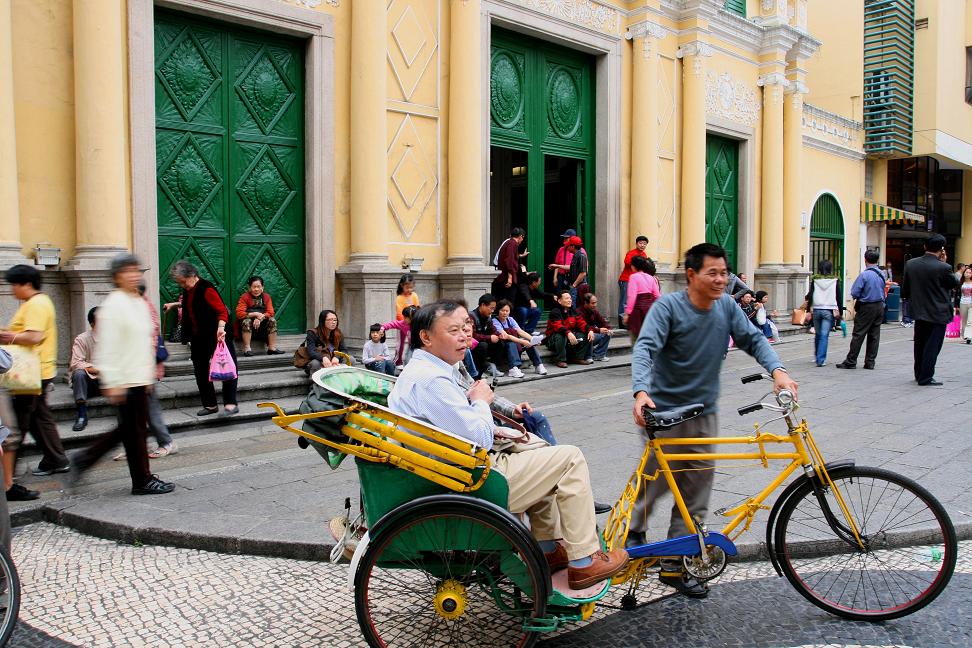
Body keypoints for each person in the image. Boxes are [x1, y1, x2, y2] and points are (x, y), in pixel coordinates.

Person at [388, 301, 628, 589]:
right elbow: (478, 435)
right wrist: (480, 401)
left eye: (466, 327)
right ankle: (583, 564)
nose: (465, 335)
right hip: (473, 479)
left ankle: (548, 550)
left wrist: (490, 405)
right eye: (454, 330)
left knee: (543, 452)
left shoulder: (430, 369)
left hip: (458, 468)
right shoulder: (431, 381)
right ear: (426, 337)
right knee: (570, 458)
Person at [631, 242, 797, 598]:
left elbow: (754, 339)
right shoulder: (669, 308)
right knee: (656, 482)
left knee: (696, 492)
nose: (722, 280)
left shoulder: (727, 308)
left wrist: (778, 370)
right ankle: (635, 530)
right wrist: (641, 391)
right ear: (692, 275)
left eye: (725, 273)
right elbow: (645, 348)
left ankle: (677, 564)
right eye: (713, 273)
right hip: (665, 414)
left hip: (704, 413)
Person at [71, 254, 174, 495]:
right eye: (129, 270)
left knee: (131, 429)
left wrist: (148, 374)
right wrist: (113, 381)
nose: (135, 274)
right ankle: (140, 479)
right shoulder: (114, 304)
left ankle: (91, 461)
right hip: (125, 378)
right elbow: (108, 346)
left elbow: (143, 341)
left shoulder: (136, 300)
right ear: (117, 275)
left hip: (138, 377)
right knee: (133, 430)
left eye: (136, 270)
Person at [0, 264, 68, 500]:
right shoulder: (37, 303)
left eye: (14, 285)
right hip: (36, 371)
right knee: (39, 417)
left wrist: (7, 336)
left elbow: (34, 336)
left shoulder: (37, 304)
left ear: (26, 284)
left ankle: (8, 480)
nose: (12, 290)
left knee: (16, 425)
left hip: (30, 373)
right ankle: (57, 458)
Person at [167, 260, 239, 417]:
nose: (182, 285)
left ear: (192, 275)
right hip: (199, 337)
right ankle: (210, 405)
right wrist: (174, 305)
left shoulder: (207, 289)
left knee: (226, 365)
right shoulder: (189, 289)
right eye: (179, 283)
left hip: (218, 334)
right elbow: (191, 304)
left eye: (183, 281)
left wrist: (220, 329)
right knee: (200, 370)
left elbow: (222, 311)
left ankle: (231, 404)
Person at [901, 234, 959, 386]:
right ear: (941, 250)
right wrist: (945, 263)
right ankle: (926, 377)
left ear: (925, 247)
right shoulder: (944, 267)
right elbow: (954, 283)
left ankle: (919, 373)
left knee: (919, 344)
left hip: (919, 311)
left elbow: (905, 290)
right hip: (938, 312)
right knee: (932, 346)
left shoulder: (911, 264)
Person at [836, 250, 887, 370]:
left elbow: (855, 292)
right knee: (874, 335)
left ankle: (851, 361)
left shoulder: (864, 275)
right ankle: (870, 362)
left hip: (867, 306)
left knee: (859, 333)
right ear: (877, 260)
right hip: (879, 305)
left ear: (865, 260)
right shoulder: (881, 274)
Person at [491, 300, 545, 377]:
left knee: (529, 344)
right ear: (498, 310)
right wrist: (522, 342)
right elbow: (507, 336)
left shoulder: (510, 320)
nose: (505, 313)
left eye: (507, 311)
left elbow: (520, 331)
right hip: (502, 348)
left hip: (515, 345)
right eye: (502, 310)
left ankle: (538, 365)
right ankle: (513, 368)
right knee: (511, 343)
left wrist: (532, 339)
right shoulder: (494, 321)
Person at [544, 290, 594, 368]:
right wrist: (569, 333)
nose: (570, 300)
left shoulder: (573, 311)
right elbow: (558, 327)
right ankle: (561, 360)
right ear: (560, 301)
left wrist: (590, 330)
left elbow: (582, 323)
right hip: (553, 340)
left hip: (568, 338)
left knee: (585, 334)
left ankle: (578, 357)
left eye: (570, 298)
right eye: (567, 298)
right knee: (561, 335)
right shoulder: (555, 312)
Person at [805, 259, 841, 367]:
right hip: (828, 310)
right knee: (824, 335)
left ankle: (817, 356)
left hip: (816, 309)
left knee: (818, 334)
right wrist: (840, 312)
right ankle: (821, 360)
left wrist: (807, 310)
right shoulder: (835, 280)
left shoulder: (815, 280)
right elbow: (838, 296)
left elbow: (811, 295)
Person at [235, 276, 283, 357]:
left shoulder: (266, 297)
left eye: (258, 286)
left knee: (272, 320)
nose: (256, 289)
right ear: (250, 288)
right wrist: (255, 314)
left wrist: (260, 318)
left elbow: (270, 312)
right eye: (254, 287)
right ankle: (247, 348)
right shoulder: (244, 297)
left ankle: (271, 348)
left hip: (262, 327)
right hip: (247, 327)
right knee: (246, 321)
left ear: (262, 287)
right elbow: (239, 313)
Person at [69, 307, 99, 432]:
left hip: (111, 382)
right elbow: (76, 363)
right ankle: (81, 415)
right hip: (90, 383)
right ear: (92, 324)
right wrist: (98, 370)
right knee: (79, 374)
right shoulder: (82, 339)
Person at [623, 256, 661, 342]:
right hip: (649, 311)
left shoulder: (633, 277)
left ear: (633, 266)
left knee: (636, 340)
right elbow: (657, 296)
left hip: (637, 313)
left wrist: (627, 313)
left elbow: (631, 297)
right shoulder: (651, 278)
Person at [303, 310, 351, 374]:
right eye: (330, 320)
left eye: (335, 320)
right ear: (323, 321)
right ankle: (315, 382)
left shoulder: (338, 333)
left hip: (333, 361)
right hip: (319, 361)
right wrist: (322, 358)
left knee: (351, 359)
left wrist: (337, 357)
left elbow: (344, 350)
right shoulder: (312, 333)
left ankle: (341, 378)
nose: (333, 322)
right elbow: (311, 351)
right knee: (315, 363)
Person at [618, 236, 649, 327]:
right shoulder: (631, 253)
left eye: (644, 244)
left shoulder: (644, 255)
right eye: (640, 243)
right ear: (636, 244)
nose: (642, 245)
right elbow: (627, 262)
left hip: (636, 281)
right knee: (624, 302)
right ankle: (622, 323)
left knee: (633, 301)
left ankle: (630, 321)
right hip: (626, 279)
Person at [491, 228, 524, 304]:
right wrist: (510, 277)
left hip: (503, 277)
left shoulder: (508, 242)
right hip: (506, 279)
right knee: (508, 302)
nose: (522, 240)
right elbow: (509, 260)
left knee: (502, 301)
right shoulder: (512, 243)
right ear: (520, 236)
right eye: (523, 238)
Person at [381, 304, 418, 371]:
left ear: (412, 317)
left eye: (405, 317)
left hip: (420, 347)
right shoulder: (403, 323)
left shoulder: (420, 324)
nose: (404, 319)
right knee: (407, 360)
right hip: (411, 346)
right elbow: (392, 324)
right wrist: (383, 327)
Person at [470, 294, 499, 377]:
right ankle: (479, 369)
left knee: (499, 342)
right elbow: (473, 335)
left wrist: (498, 335)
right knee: (483, 345)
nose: (492, 311)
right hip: (473, 346)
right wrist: (489, 337)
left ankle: (492, 366)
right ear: (482, 305)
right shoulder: (471, 316)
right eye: (491, 308)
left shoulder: (488, 318)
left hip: (484, 343)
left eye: (494, 309)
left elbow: (494, 330)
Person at [580, 293, 612, 361]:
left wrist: (608, 329)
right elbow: (584, 327)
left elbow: (603, 322)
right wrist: (598, 330)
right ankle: (588, 356)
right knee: (589, 334)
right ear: (586, 303)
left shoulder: (594, 312)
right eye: (593, 303)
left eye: (596, 302)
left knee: (607, 333)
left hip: (592, 334)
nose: (595, 305)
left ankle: (598, 355)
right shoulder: (579, 312)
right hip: (582, 337)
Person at [548, 228, 578, 292]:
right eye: (564, 238)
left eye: (566, 238)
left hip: (572, 277)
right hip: (561, 277)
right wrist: (555, 277)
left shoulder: (577, 251)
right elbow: (557, 264)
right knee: (560, 296)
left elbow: (573, 267)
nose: (564, 240)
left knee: (570, 297)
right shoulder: (561, 249)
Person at [564, 236, 590, 303]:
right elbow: (572, 268)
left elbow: (583, 273)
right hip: (576, 287)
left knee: (576, 307)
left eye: (568, 245)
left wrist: (574, 285)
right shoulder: (575, 256)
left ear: (573, 246)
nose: (567, 247)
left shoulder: (581, 256)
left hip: (579, 287)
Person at [955, 266, 972, 343]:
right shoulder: (961, 283)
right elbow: (957, 294)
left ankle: (969, 336)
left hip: (971, 304)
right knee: (964, 321)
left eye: (969, 272)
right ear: (964, 273)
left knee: (970, 321)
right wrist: (956, 305)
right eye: (966, 272)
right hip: (962, 303)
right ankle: (964, 336)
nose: (968, 274)